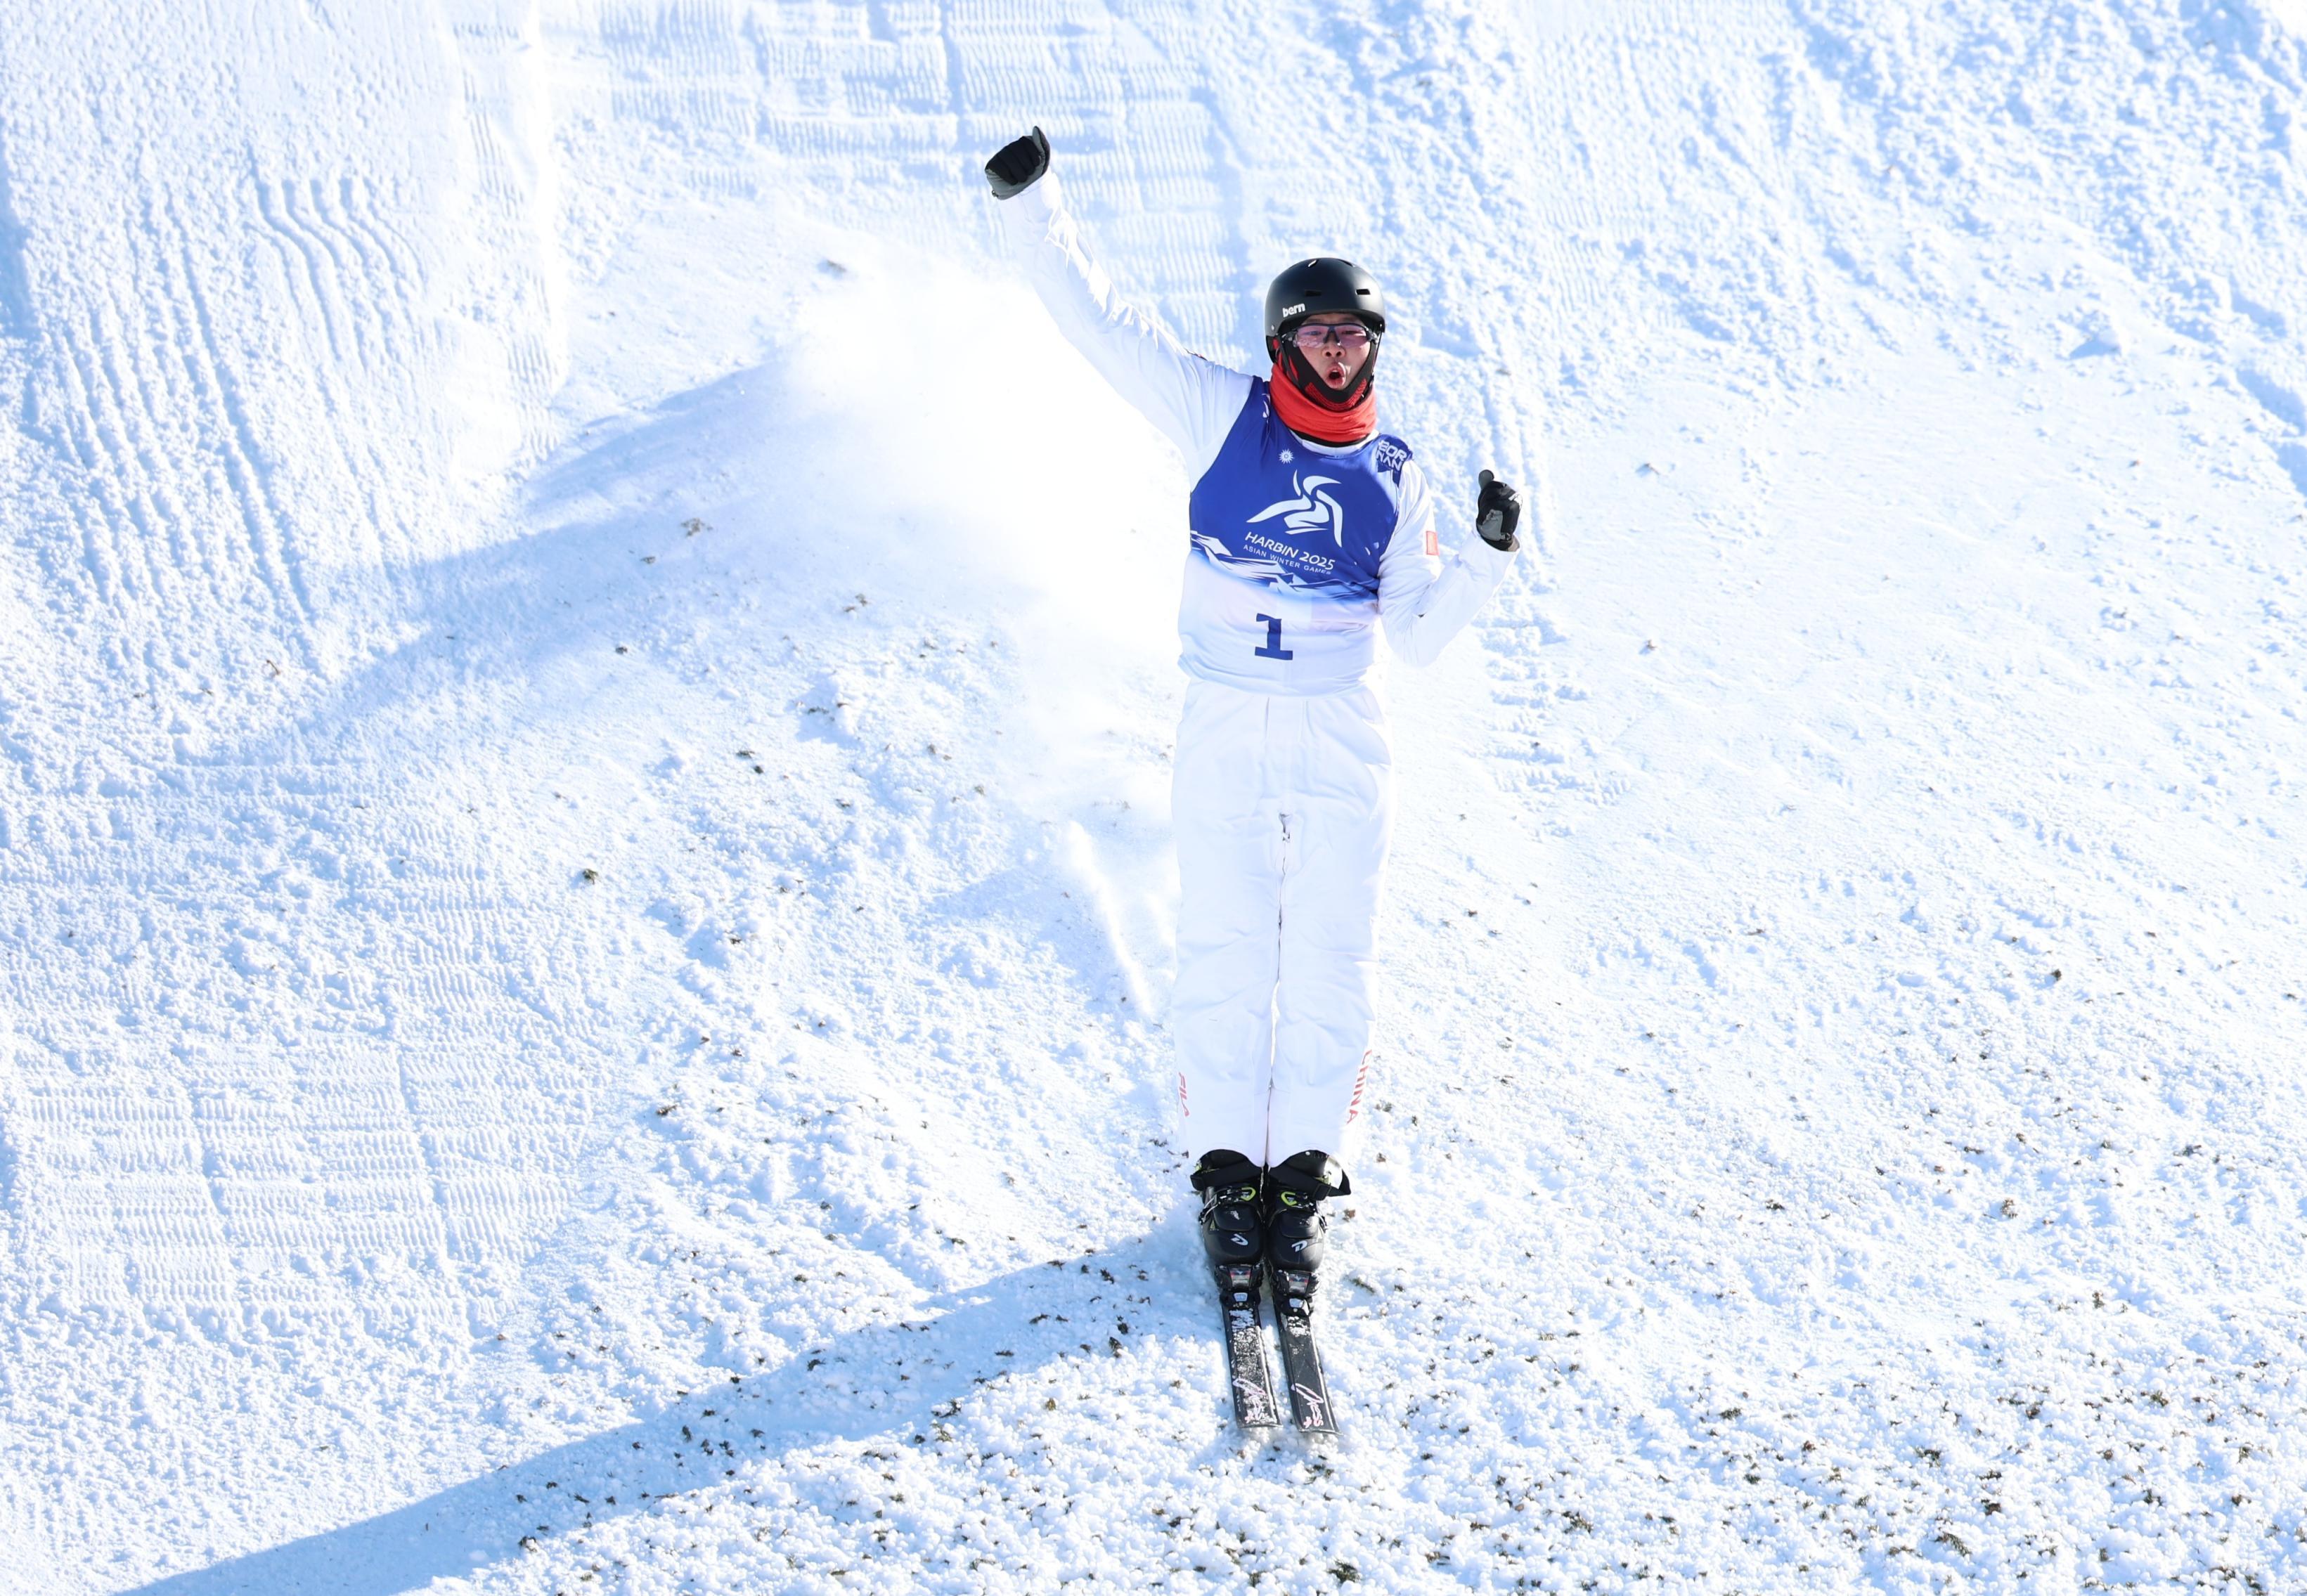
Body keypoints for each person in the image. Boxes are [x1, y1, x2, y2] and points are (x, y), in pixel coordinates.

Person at [983, 127, 1523, 1293]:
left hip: (1341, 730)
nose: (1336, 351)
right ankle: (1229, 1172)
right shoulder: (1220, 415)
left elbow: (1418, 636)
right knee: (1227, 946)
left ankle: (1307, 1175)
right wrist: (1031, 206)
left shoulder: (1396, 477)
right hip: (1226, 717)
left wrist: (1483, 558)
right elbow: (1100, 324)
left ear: (1373, 347)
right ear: (1280, 343)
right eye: (1317, 334)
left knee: (1331, 955)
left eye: (1353, 335)